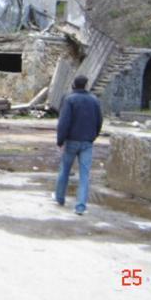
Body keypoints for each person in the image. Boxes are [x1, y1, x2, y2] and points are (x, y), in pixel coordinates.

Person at [55, 74, 103, 215]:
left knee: (64, 170)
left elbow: (64, 122)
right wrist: (93, 137)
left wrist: (60, 140)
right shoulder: (94, 100)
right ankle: (80, 206)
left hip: (71, 141)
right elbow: (99, 121)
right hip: (87, 143)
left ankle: (60, 198)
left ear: (73, 85)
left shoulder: (70, 99)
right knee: (84, 175)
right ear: (86, 85)